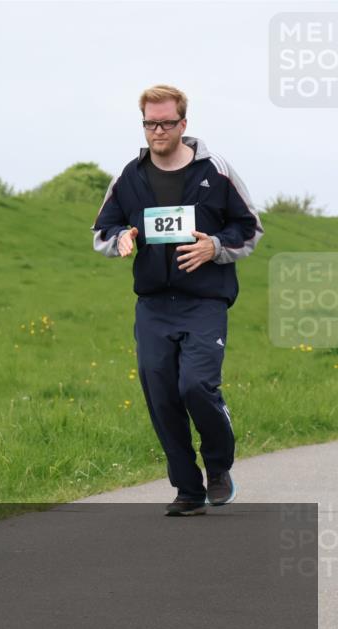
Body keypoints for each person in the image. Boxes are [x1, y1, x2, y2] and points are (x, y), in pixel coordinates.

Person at [92, 84, 263, 516]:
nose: (158, 130)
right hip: (153, 305)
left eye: (167, 123)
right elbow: (102, 231)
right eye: (150, 123)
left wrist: (215, 248)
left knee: (196, 387)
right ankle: (188, 490)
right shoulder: (129, 177)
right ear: (143, 124)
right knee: (162, 393)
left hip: (205, 300)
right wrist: (122, 239)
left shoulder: (215, 170)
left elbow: (250, 228)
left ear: (183, 124)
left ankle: (219, 468)